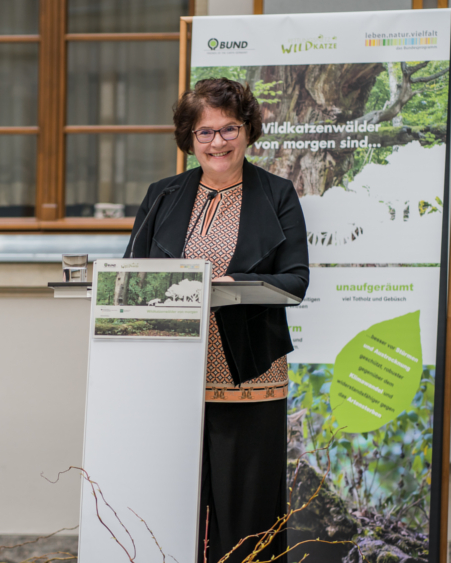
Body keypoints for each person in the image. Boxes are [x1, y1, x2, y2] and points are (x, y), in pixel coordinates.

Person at [123, 77, 309, 563]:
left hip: (249, 378)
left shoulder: (277, 194)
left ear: (248, 131)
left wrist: (234, 283)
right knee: (169, 511)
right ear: (189, 139)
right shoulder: (162, 196)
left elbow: (295, 280)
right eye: (204, 132)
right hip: (172, 379)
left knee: (247, 518)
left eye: (229, 128)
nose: (217, 142)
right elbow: (130, 274)